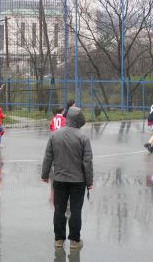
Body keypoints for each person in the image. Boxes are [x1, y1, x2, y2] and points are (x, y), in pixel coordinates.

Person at [42, 107, 93, 249]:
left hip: (59, 180)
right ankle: (75, 241)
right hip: (78, 181)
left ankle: (58, 240)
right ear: (79, 120)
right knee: (76, 210)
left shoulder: (54, 135)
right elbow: (87, 162)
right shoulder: (83, 137)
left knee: (59, 209)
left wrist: (45, 175)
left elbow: (48, 157)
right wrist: (89, 183)